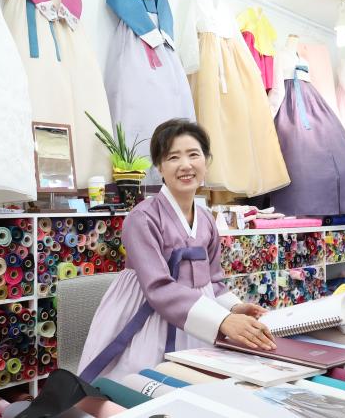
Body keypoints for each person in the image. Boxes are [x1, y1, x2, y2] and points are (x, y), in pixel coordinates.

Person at [78, 119, 275, 382]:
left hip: (198, 318)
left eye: (194, 154)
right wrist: (221, 321)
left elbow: (212, 281)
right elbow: (158, 287)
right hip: (147, 317)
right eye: (173, 157)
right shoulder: (142, 218)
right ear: (159, 167)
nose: (185, 165)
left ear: (206, 161)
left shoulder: (206, 219)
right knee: (141, 385)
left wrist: (234, 308)